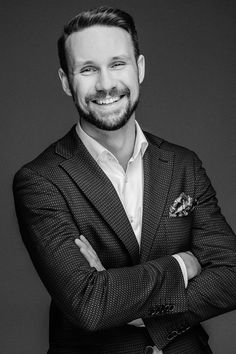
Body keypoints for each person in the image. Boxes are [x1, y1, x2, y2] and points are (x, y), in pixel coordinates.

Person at [13, 6, 236, 354]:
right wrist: (182, 265)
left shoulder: (183, 164)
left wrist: (134, 307)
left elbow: (232, 275)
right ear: (65, 81)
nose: (105, 84)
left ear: (139, 68)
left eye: (117, 63)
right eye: (88, 69)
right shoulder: (40, 181)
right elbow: (90, 304)